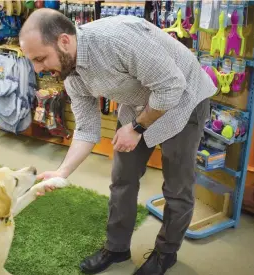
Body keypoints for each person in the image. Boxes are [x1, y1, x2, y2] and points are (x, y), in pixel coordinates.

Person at [19, 8, 216, 275]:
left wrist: (136, 128)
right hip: (141, 103)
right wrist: (61, 172)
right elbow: (87, 129)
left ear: (64, 41)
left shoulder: (117, 40)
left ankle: (166, 253)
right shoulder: (70, 73)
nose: (38, 68)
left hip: (184, 99)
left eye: (40, 58)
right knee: (122, 178)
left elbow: (172, 87)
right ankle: (117, 247)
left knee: (177, 188)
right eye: (32, 61)